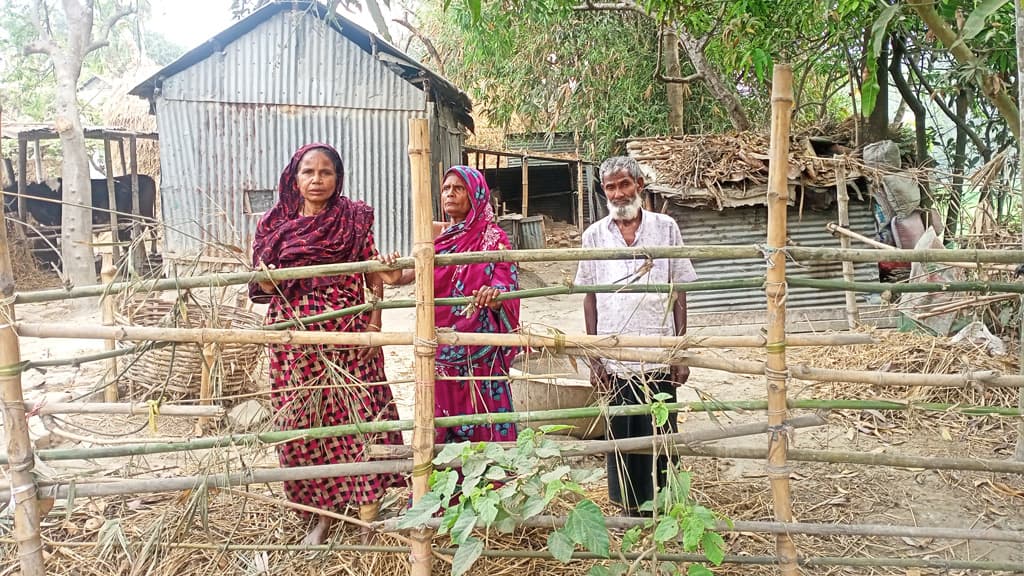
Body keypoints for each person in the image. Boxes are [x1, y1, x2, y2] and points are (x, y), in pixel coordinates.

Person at [250, 143, 404, 545]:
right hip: (294, 338)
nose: (317, 180)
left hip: (349, 332)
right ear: (294, 177)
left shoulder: (352, 218)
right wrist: (268, 278)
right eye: (308, 172)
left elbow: (374, 273)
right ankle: (322, 516)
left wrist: (375, 320)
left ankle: (368, 513)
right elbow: (261, 286)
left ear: (338, 178)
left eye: (326, 172)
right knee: (304, 424)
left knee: (358, 415)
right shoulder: (273, 224)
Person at [574, 155, 698, 516]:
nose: (618, 193)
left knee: (660, 432)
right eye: (610, 187)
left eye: (624, 184)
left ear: (639, 185)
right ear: (603, 191)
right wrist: (595, 357)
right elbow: (590, 297)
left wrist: (679, 350)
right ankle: (629, 506)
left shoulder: (665, 228)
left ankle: (662, 506)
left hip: (658, 352)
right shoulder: (594, 235)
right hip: (615, 356)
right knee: (623, 435)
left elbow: (679, 292)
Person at [379, 165, 520, 443]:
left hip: (479, 351)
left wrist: (494, 296)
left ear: (476, 194)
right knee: (441, 424)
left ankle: (489, 483)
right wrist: (392, 270)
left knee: (484, 421)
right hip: (439, 349)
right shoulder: (435, 237)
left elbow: (507, 286)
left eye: (458, 188)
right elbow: (405, 275)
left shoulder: (493, 239)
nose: (450, 194)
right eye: (446, 189)